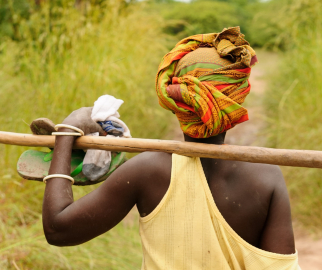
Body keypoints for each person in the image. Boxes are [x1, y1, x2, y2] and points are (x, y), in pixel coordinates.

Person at [41, 27, 300, 269]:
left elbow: (58, 230)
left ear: (175, 101)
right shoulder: (267, 177)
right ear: (236, 100)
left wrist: (67, 131)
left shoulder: (146, 170)